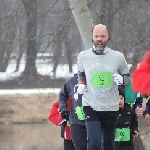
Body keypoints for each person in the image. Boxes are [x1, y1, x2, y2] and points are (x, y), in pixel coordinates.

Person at [77, 24, 130, 150]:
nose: (99, 39)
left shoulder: (118, 57)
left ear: (108, 37)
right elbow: (81, 73)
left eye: (102, 36)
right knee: (94, 143)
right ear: (92, 37)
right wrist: (81, 84)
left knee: (108, 144)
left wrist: (122, 79)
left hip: (111, 107)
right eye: (96, 36)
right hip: (91, 105)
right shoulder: (83, 56)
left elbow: (127, 77)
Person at [59, 73, 87, 150]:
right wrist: (64, 109)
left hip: (96, 119)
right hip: (76, 121)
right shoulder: (72, 81)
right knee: (80, 147)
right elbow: (62, 95)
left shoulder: (96, 78)